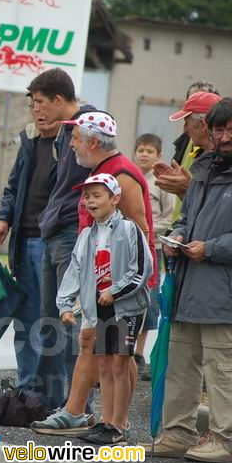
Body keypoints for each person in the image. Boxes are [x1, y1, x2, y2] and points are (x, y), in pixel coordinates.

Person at [146, 98, 232, 463]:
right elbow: (187, 218)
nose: (223, 137)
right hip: (191, 290)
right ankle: (177, 433)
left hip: (229, 294)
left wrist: (212, 248)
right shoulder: (205, 170)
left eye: (230, 130)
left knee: (222, 370)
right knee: (181, 364)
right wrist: (176, 236)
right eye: (217, 129)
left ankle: (222, 439)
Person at [31, 112, 156, 436]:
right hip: (97, 284)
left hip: (122, 289)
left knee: (117, 355)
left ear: (94, 142)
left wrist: (119, 287)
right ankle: (89, 415)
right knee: (101, 349)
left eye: (75, 138)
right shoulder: (100, 173)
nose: (71, 145)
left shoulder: (121, 176)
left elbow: (139, 235)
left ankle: (112, 421)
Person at [55, 174, 152, 445]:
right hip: (100, 308)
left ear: (115, 198)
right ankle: (105, 422)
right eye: (87, 196)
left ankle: (119, 425)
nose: (90, 201)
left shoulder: (130, 229)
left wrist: (115, 291)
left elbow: (142, 270)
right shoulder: (87, 234)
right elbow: (74, 270)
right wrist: (65, 304)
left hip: (127, 307)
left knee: (120, 363)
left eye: (97, 195)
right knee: (105, 364)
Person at [28, 69, 97, 411]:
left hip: (73, 234)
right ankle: (48, 402)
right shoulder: (62, 132)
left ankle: (77, 407)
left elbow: (99, 177)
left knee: (71, 326)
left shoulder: (90, 124)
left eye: (40, 102)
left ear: (59, 100)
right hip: (53, 233)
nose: (35, 110)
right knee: (49, 323)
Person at [0, 108, 53, 392]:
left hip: (52, 243)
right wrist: (3, 217)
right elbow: (13, 187)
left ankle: (52, 394)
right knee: (25, 323)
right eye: (33, 103)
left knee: (52, 323)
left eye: (44, 103)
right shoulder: (30, 139)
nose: (37, 110)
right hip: (23, 241)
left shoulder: (70, 142)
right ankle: (28, 390)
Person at [133, 133, 174, 380]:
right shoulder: (129, 178)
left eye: (150, 151)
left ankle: (139, 353)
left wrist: (144, 228)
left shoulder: (162, 182)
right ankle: (123, 351)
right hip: (129, 249)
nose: (144, 154)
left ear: (159, 156)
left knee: (147, 300)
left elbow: (167, 218)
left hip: (153, 247)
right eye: (140, 150)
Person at [153, 84, 220, 225]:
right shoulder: (209, 156)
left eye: (186, 122)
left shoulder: (227, 162)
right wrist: (183, 190)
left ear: (202, 124)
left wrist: (188, 188)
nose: (184, 130)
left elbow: (218, 213)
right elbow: (199, 210)